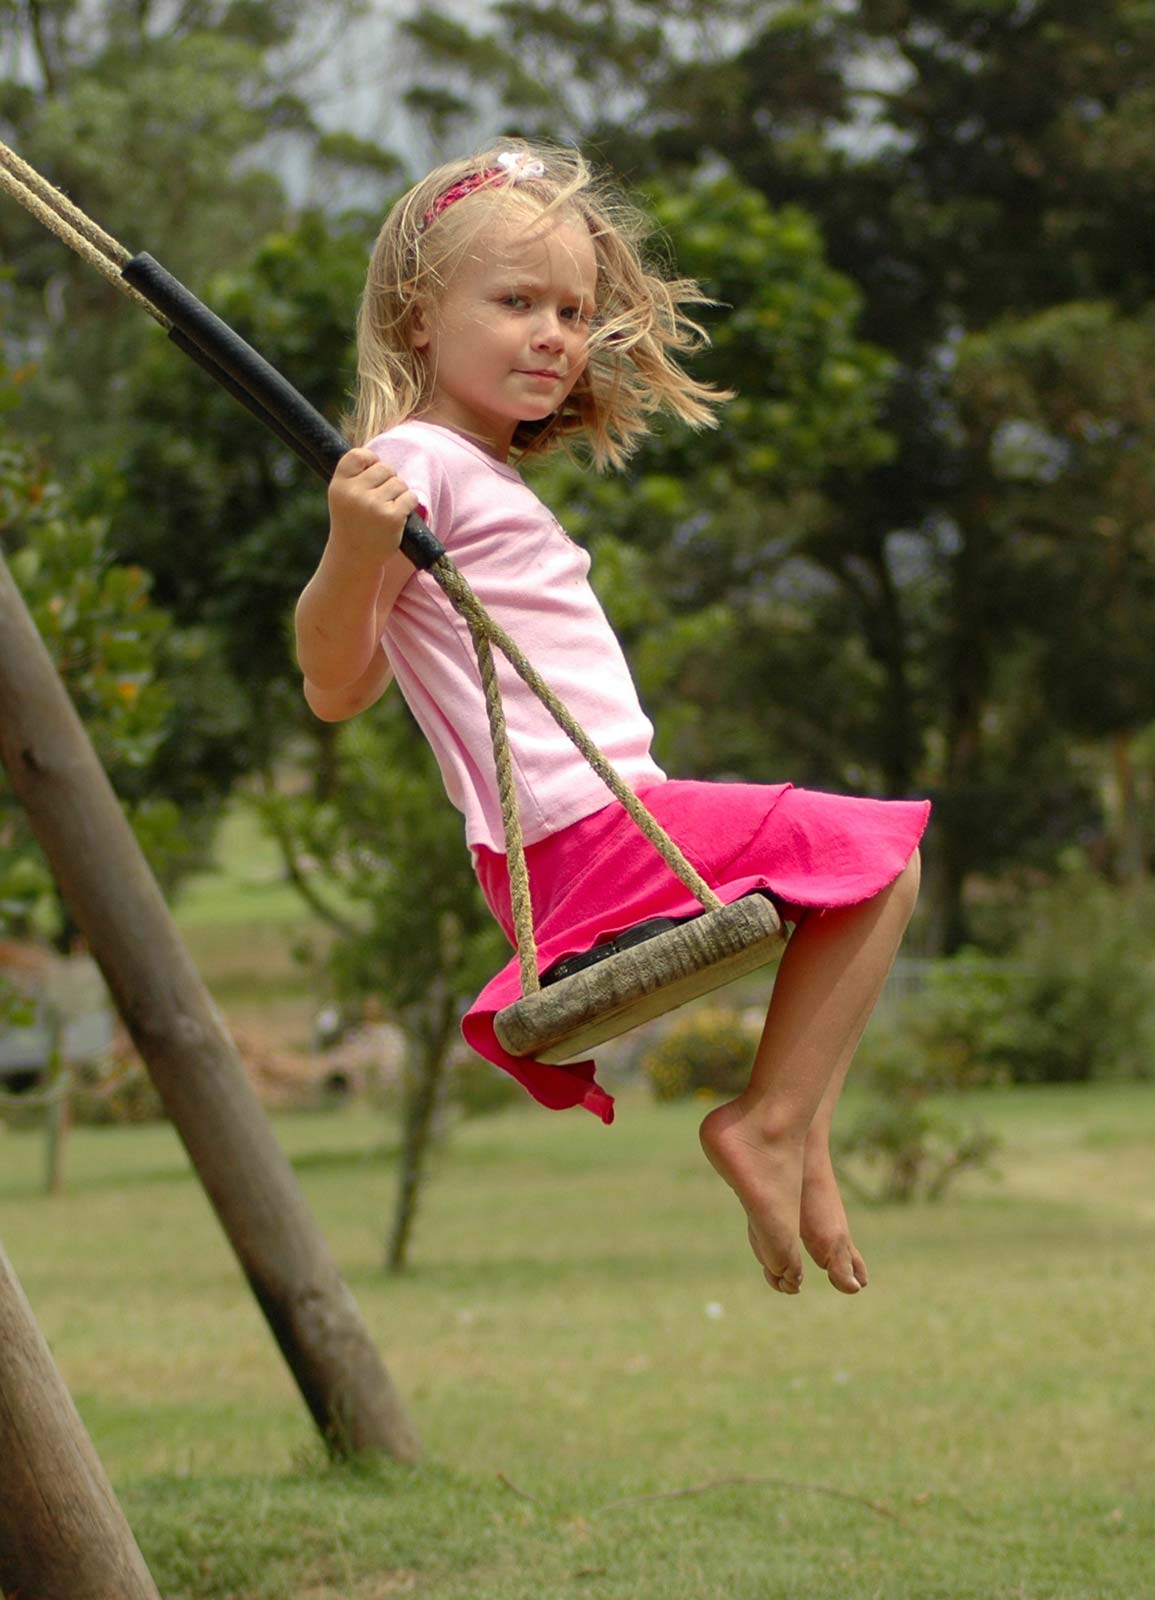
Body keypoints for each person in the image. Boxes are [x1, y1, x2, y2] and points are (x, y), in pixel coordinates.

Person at [294, 141, 928, 1297]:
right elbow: (336, 684)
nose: (554, 333)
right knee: (879, 859)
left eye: (575, 310)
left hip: (602, 824)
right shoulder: (410, 462)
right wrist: (351, 543)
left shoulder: (475, 469)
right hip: (582, 832)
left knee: (851, 889)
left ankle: (799, 1135)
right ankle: (770, 1125)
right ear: (418, 315)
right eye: (516, 301)